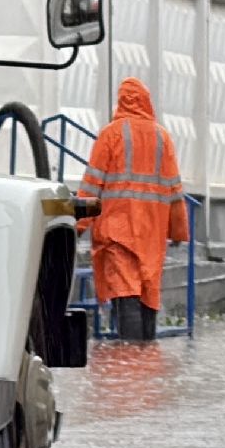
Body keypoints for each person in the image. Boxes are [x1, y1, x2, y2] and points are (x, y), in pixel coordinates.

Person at [76, 77, 189, 341]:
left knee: (125, 291)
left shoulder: (111, 134)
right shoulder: (163, 137)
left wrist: (77, 225)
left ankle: (129, 362)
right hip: (151, 232)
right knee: (148, 292)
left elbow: (91, 186)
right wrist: (179, 231)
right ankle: (145, 359)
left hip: (118, 230)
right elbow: (174, 189)